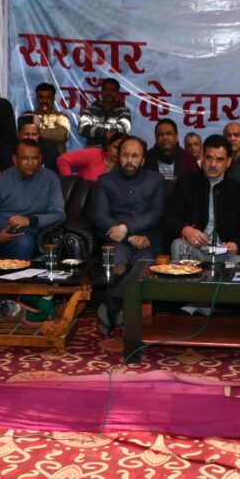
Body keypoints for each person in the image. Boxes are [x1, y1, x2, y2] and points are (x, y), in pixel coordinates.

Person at [91, 136, 165, 333]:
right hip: (116, 238)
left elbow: (156, 213)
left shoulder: (156, 180)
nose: (129, 160)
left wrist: (127, 227)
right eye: (125, 155)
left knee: (143, 263)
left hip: (147, 238)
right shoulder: (105, 180)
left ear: (143, 159)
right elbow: (100, 215)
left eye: (135, 156)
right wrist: (128, 236)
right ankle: (118, 309)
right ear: (118, 156)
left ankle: (122, 312)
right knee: (117, 258)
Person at [0, 138, 65, 261]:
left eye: (35, 158)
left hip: (25, 235)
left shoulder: (51, 179)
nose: (30, 163)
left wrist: (29, 221)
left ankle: (15, 274)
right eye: (25, 158)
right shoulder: (0, 180)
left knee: (23, 244)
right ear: (15, 159)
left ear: (40, 159)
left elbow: (58, 215)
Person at [162, 133, 240, 263]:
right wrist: (186, 230)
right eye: (209, 158)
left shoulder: (239, 190)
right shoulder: (186, 184)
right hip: (195, 250)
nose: (213, 164)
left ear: (228, 162)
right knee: (179, 245)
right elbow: (167, 219)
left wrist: (237, 244)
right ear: (202, 157)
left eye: (219, 160)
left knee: (238, 260)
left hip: (224, 254)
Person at [79, 78, 131, 147]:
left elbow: (123, 129)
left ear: (117, 93)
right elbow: (82, 128)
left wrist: (95, 129)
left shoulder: (124, 111)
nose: (108, 92)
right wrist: (105, 133)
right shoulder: (89, 110)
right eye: (106, 89)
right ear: (101, 91)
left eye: (112, 90)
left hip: (114, 151)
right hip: (93, 150)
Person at [57, 132, 124, 182]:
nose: (118, 152)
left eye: (122, 149)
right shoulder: (96, 154)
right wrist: (68, 184)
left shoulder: (126, 169)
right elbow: (63, 160)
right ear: (108, 146)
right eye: (115, 147)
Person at [35, 82, 71, 153]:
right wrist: (52, 133)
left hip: (57, 158)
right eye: (41, 97)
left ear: (53, 99)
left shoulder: (62, 117)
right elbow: (25, 136)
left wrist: (36, 133)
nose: (44, 101)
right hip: (35, 157)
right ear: (37, 98)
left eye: (48, 97)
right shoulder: (31, 116)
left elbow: (62, 135)